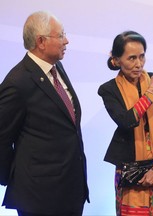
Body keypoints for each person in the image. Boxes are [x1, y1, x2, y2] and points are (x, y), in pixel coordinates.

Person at [0, 11, 89, 216]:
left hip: (71, 192)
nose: (66, 40)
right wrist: (14, 177)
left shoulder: (56, 68)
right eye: (60, 36)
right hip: (39, 198)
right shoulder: (18, 82)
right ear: (41, 41)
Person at [98, 30, 153, 216]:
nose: (138, 64)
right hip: (132, 171)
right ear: (116, 60)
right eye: (131, 58)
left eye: (142, 56)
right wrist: (151, 91)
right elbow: (126, 121)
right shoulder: (109, 90)